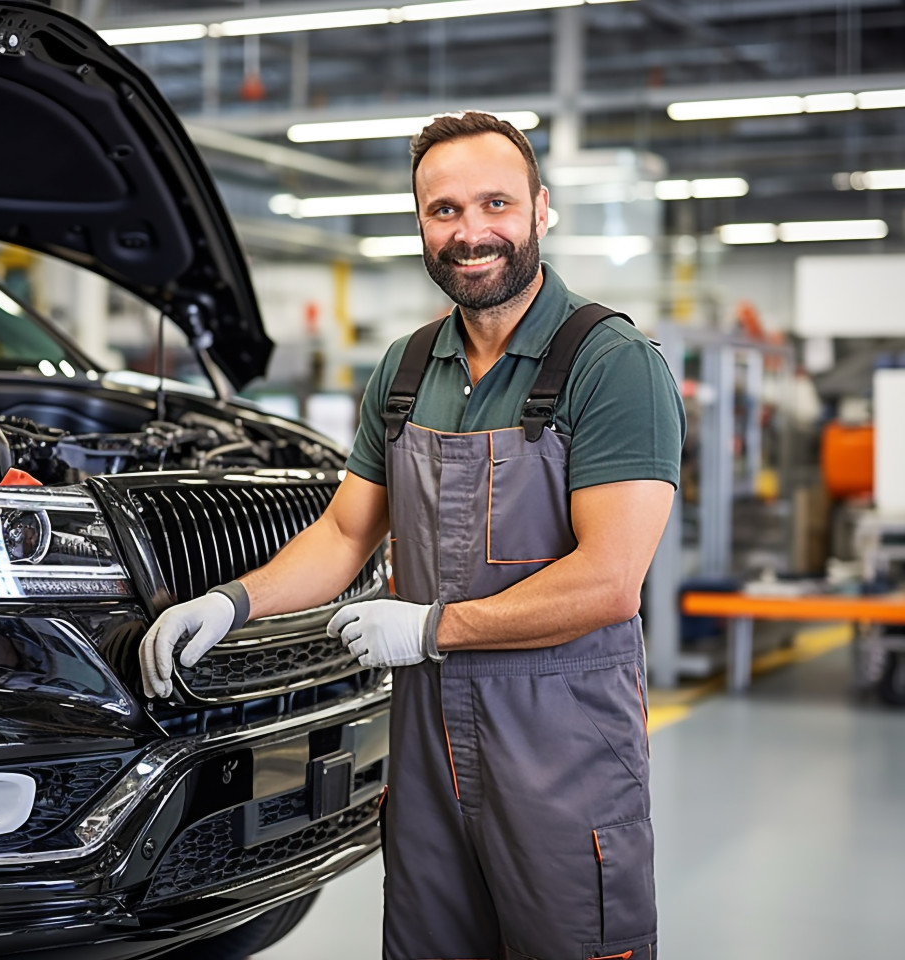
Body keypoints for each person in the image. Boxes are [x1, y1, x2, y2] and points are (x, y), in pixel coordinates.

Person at [140, 110, 685, 960]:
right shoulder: (402, 372)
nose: (472, 232)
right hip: (428, 746)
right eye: (444, 210)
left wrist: (430, 629)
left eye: (496, 204)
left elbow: (607, 581)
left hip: (561, 749)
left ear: (542, 210)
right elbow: (344, 533)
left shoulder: (609, 364)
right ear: (421, 223)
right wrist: (231, 601)